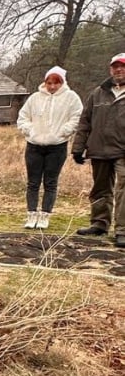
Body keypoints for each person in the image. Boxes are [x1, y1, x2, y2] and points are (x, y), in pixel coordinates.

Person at [17, 66, 82, 230]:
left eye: (56, 83)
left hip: (57, 147)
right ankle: (31, 214)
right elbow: (23, 117)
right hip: (34, 146)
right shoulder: (35, 98)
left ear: (62, 83)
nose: (52, 86)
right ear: (45, 82)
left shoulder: (71, 98)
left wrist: (64, 132)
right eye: (49, 82)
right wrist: (30, 131)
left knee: (50, 182)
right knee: (33, 182)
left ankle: (45, 215)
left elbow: (77, 117)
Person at [71, 53, 125, 248]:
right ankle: (99, 223)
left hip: (123, 151)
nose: (118, 70)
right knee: (100, 189)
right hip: (99, 149)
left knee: (123, 191)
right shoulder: (98, 93)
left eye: (122, 67)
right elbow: (85, 121)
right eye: (115, 67)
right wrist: (78, 148)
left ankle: (122, 230)